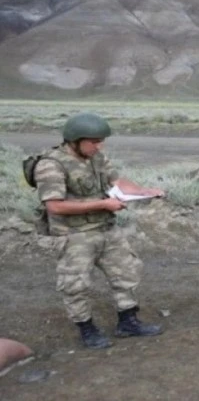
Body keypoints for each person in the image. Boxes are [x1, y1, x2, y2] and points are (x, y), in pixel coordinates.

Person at [33, 112, 165, 349]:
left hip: (105, 228)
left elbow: (117, 182)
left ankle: (128, 322)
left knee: (126, 272)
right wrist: (103, 204)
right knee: (76, 285)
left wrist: (143, 191)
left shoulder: (96, 157)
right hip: (74, 235)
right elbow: (55, 206)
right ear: (75, 140)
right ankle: (87, 329)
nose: (99, 146)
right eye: (94, 142)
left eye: (101, 141)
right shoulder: (50, 165)